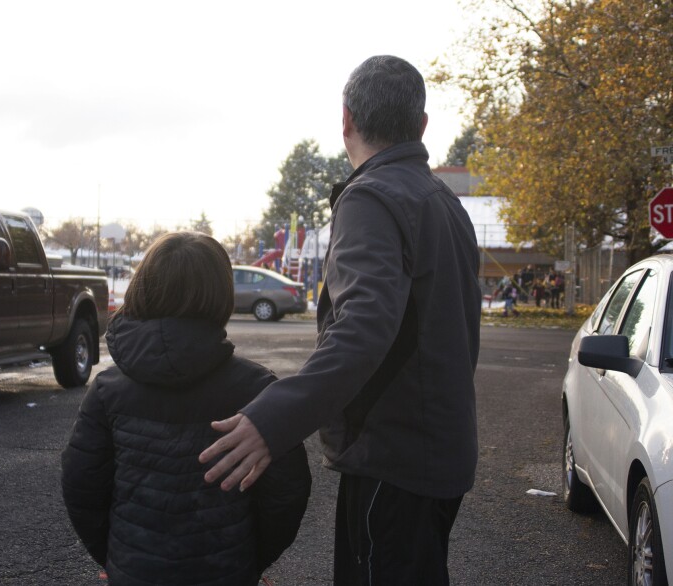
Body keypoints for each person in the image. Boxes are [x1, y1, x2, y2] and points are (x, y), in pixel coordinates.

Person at [200, 55, 481, 585]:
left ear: (346, 119)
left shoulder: (373, 197)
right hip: (441, 455)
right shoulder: (444, 201)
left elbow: (361, 331)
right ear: (421, 126)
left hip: (394, 460)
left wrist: (272, 420)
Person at [61, 231, 311, 585]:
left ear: (143, 287)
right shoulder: (257, 390)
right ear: (221, 294)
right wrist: (251, 562)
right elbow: (286, 493)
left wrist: (118, 559)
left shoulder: (107, 390)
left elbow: (81, 487)